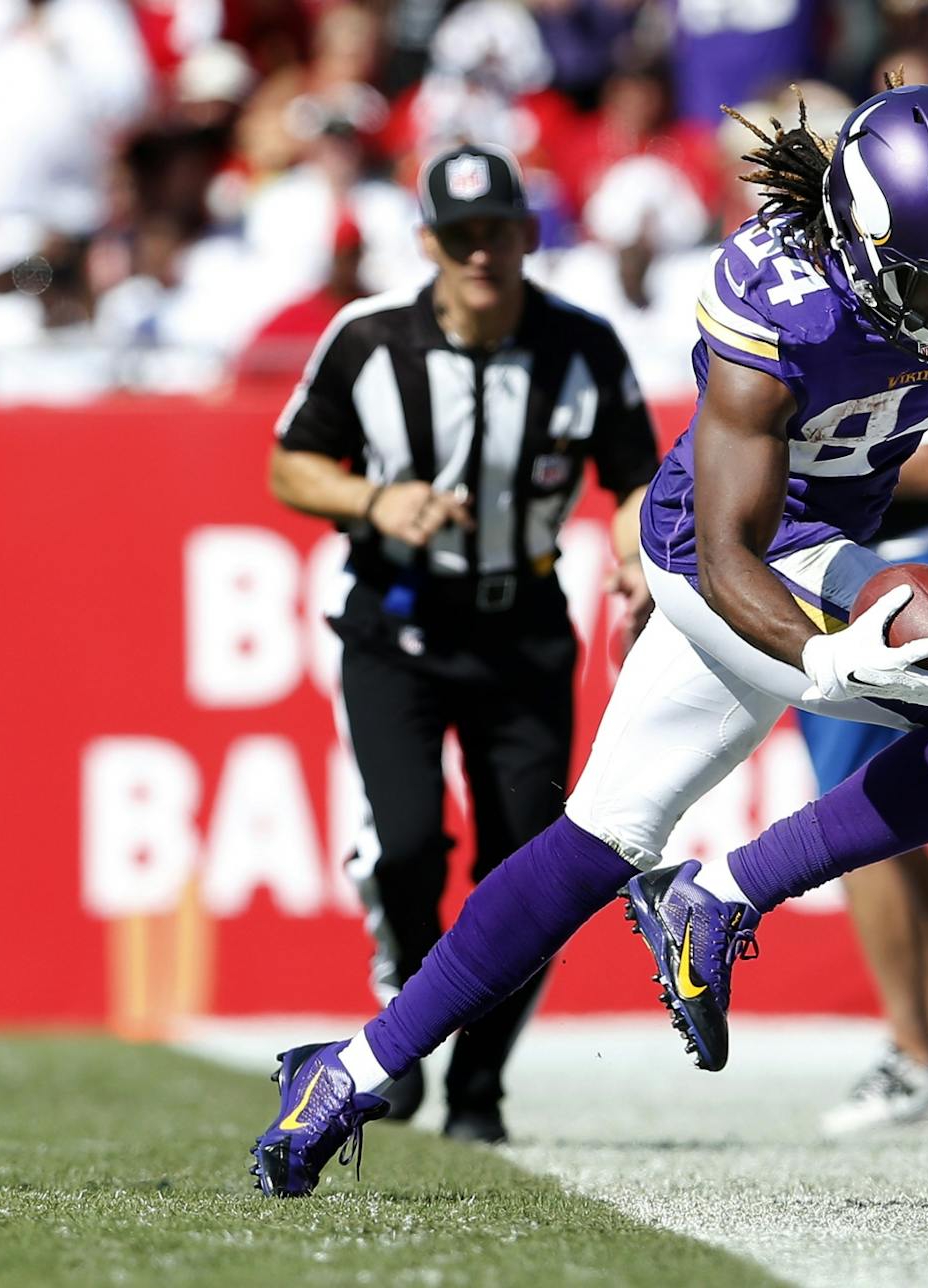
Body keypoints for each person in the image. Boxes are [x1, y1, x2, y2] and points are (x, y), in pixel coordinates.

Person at [250, 82, 928, 1198]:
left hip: (815, 549)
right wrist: (820, 659)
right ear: (862, 237)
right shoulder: (781, 287)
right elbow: (734, 548)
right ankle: (722, 894)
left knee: (597, 837)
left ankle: (343, 1069)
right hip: (729, 555)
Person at [267, 143, 659, 1145]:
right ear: (428, 242)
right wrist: (373, 498)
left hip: (523, 627)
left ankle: (479, 1085)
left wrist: (637, 558)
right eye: (461, 235)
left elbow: (633, 480)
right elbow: (291, 465)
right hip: (397, 623)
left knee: (525, 867)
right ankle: (403, 993)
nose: (481, 252)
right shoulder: (369, 341)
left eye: (498, 232)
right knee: (404, 844)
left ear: (528, 234)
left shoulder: (582, 344)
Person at [801, 428, 928, 1134]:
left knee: (857, 818)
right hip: (882, 572)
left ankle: (916, 1055)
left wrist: (792, 457)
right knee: (894, 822)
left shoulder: (913, 327)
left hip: (886, 579)